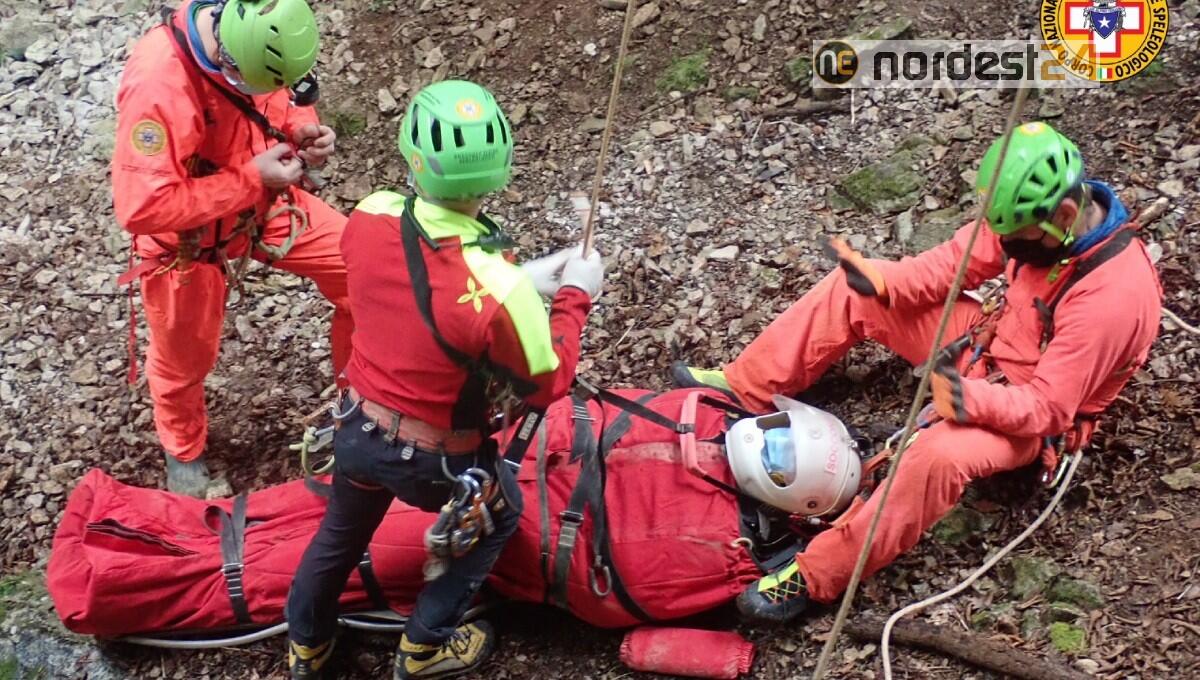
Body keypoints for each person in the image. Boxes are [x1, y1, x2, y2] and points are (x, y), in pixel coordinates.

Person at [674, 121, 1162, 623]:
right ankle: (743, 387)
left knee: (936, 456)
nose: (1006, 242)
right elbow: (956, 264)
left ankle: (817, 575)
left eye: (1015, 236)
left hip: (1030, 414)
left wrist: (970, 400)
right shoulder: (1037, 223)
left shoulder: (1112, 299)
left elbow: (1048, 408)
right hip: (988, 345)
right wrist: (884, 281)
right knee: (851, 292)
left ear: (1062, 215)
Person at [283, 80, 605, 679]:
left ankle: (307, 645)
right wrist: (573, 297)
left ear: (413, 156)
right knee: (499, 518)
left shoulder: (371, 216)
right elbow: (548, 382)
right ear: (501, 170)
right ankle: (424, 647)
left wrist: (523, 278)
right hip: (438, 463)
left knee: (340, 534)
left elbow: (425, 287)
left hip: (356, 428)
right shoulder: (500, 291)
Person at [111, 0, 352, 497]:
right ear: (227, 57)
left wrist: (301, 129)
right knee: (184, 359)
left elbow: (284, 97)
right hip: (186, 241)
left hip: (261, 204)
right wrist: (250, 178)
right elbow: (141, 207)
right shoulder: (160, 83)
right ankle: (183, 453)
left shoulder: (263, 28)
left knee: (364, 273)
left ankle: (364, 408)